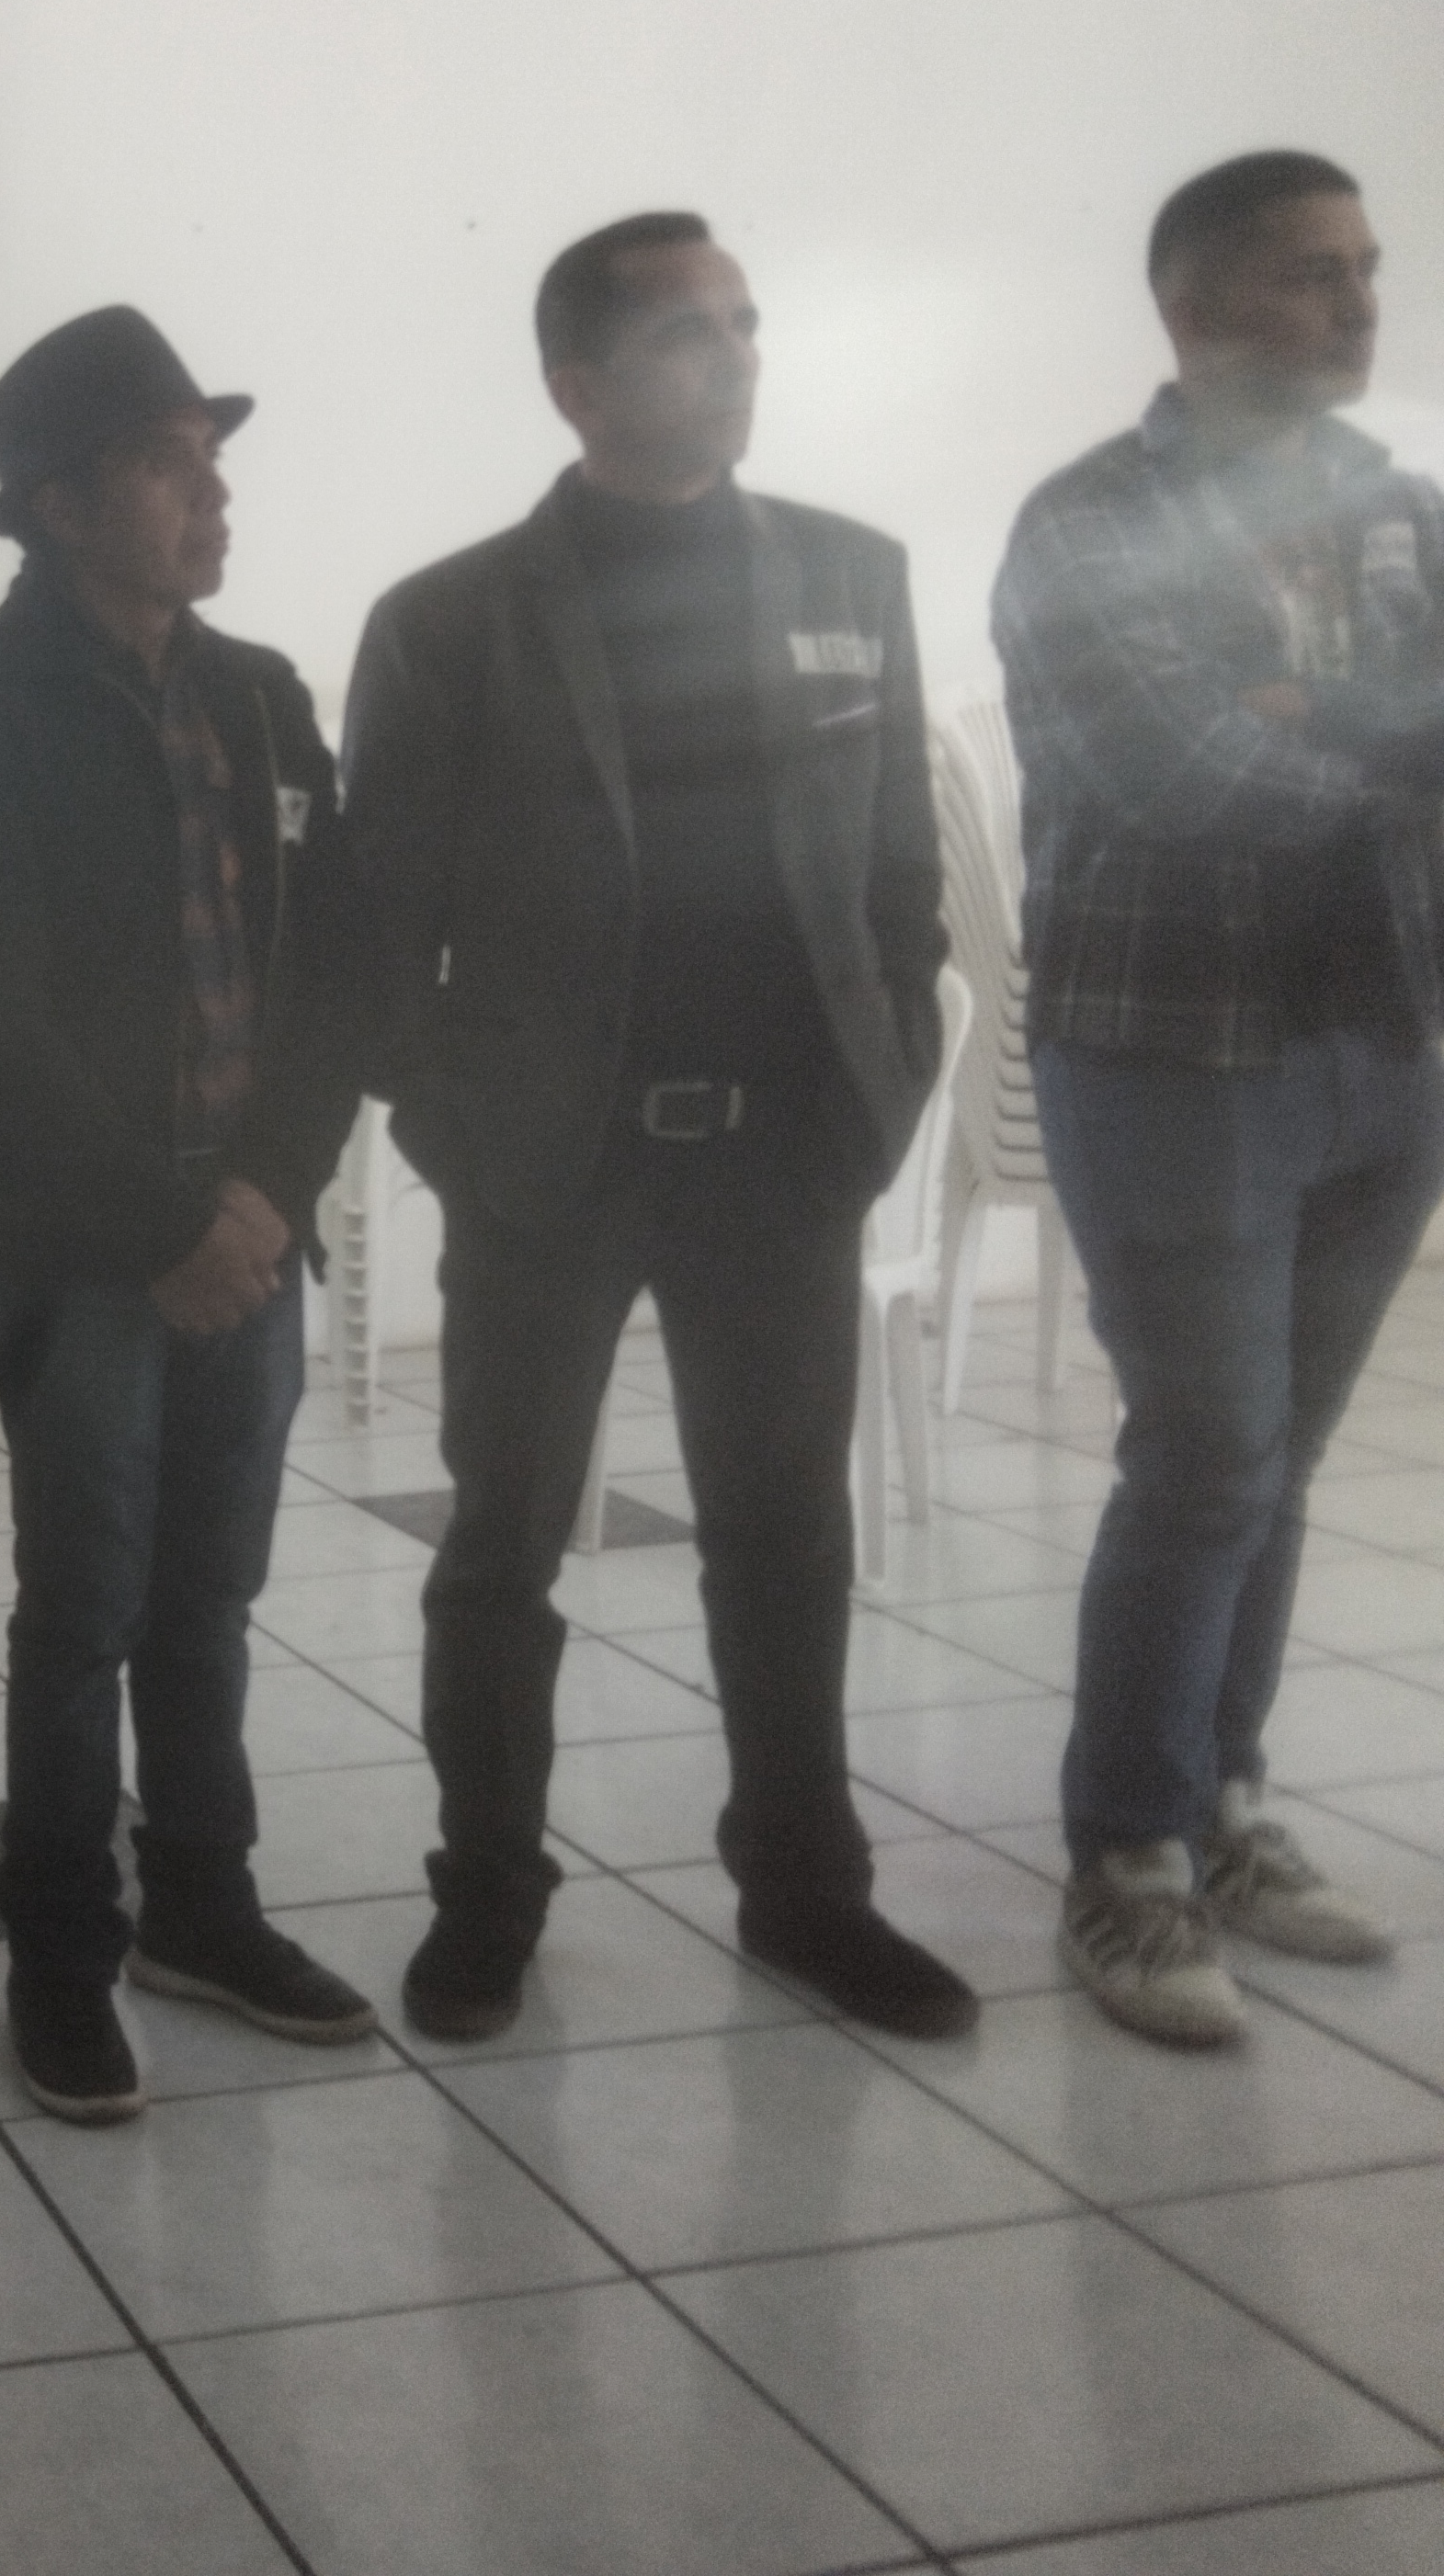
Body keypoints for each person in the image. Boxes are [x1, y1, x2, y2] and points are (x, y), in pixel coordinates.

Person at [340, 212, 975, 2047]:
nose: (739, 358)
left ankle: (806, 1890)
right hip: (553, 1162)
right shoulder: (451, 620)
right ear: (579, 385)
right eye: (693, 335)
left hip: (785, 1155)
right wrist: (463, 1135)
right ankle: (488, 1894)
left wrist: (878, 1096)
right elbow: (379, 934)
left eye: (747, 324)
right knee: (504, 1545)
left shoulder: (852, 572)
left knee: (784, 1536)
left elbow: (902, 879)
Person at [0, 306, 379, 2126]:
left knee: (211, 1599)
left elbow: (335, 971)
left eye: (211, 459)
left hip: (248, 1234)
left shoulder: (259, 698)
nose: (210, 493)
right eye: (168, 464)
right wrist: (173, 1223)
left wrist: (266, 1196)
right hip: (89, 1252)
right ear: (65, 504)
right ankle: (64, 1959)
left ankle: (202, 1910)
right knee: (83, 1609)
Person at [995, 150, 1444, 2048]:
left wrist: (1310, 715)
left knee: (1282, 1458)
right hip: (1175, 1050)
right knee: (1204, 1456)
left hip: (1386, 1043)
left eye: (1366, 270)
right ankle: (1127, 1857)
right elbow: (1184, 775)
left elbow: (1283, 750)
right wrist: (1392, 745)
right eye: (1307, 276)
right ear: (1190, 309)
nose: (1356, 306)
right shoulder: (1087, 523)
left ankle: (1222, 1804)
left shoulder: (1402, 509)